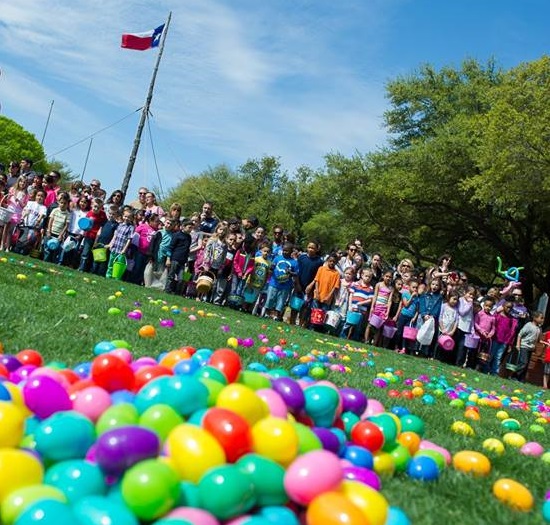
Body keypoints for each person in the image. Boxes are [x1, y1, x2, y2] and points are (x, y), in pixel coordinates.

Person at [290, 241, 323, 327]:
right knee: (295, 305)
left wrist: (311, 286)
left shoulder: (319, 261)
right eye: (309, 247)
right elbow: (296, 271)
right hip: (299, 285)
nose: (311, 249)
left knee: (305, 307)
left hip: (309, 288)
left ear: (317, 249)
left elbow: (317, 276)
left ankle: (301, 324)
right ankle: (292, 322)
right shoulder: (302, 258)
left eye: (313, 248)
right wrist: (297, 284)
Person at [264, 242, 300, 321]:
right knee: (270, 298)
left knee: (281, 301)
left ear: (291, 251)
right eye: (284, 250)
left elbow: (296, 273)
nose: (284, 252)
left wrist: (290, 272)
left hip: (285, 285)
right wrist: (271, 268)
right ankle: (267, 313)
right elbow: (271, 268)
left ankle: (276, 315)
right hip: (274, 282)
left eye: (287, 251)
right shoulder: (277, 258)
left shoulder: (294, 262)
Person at [340, 268, 374, 341]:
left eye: (369, 277)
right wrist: (350, 305)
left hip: (362, 309)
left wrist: (361, 303)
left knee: (358, 325)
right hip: (353, 307)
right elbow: (351, 295)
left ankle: (355, 338)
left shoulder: (370, 288)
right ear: (362, 275)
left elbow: (370, 299)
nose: (367, 278)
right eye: (366, 276)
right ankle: (343, 335)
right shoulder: (355, 284)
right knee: (348, 322)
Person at [512, 310, 545, 382]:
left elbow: (538, 339)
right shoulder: (528, 325)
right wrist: (518, 344)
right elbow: (520, 334)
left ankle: (521, 379)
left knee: (526, 364)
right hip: (524, 346)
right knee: (523, 362)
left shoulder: (539, 328)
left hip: (531, 348)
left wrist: (542, 343)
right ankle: (514, 376)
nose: (542, 319)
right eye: (541, 318)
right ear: (535, 318)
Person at [365, 270, 394, 347]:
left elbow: (389, 301)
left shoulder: (391, 288)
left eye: (390, 277)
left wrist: (387, 311)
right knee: (370, 325)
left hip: (383, 310)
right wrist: (372, 307)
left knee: (378, 327)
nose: (388, 278)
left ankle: (374, 344)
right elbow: (375, 296)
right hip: (376, 307)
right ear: (383, 276)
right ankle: (366, 340)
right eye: (386, 276)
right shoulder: (379, 285)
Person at [165, 219, 194, 294]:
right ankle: (167, 290)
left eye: (192, 228)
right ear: (183, 227)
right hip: (174, 259)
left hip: (183, 261)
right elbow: (170, 247)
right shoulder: (177, 235)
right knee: (171, 276)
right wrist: (168, 259)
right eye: (189, 227)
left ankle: (177, 293)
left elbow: (187, 249)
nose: (191, 230)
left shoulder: (189, 237)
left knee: (181, 279)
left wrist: (187, 260)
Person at [0, 175, 29, 251]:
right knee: (5, 228)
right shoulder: (12, 189)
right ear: (18, 181)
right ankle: (2, 245)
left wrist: (19, 201)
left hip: (17, 213)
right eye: (21, 181)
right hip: (9, 211)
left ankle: (7, 246)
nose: (22, 183)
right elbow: (8, 201)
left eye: (24, 182)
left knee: (10, 230)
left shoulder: (25, 194)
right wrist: (8, 199)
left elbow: (24, 206)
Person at [489, 301, 517, 376]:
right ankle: (486, 369)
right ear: (503, 306)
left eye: (510, 308)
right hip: (495, 339)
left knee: (498, 357)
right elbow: (492, 326)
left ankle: (494, 372)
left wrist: (510, 344)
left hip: (504, 341)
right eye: (507, 307)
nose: (509, 309)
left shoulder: (512, 319)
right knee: (491, 355)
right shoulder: (497, 316)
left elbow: (512, 332)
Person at [416, 278, 443, 358]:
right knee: (419, 332)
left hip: (431, 319)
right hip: (422, 317)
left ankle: (424, 352)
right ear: (430, 285)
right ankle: (415, 349)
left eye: (437, 285)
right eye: (433, 284)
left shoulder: (439, 297)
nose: (434, 286)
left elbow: (438, 308)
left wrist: (432, 316)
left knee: (428, 334)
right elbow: (422, 305)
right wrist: (424, 314)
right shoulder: (424, 295)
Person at [105, 209, 135, 279]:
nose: (126, 218)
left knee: (118, 265)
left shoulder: (131, 228)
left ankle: (116, 278)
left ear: (131, 218)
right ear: (122, 216)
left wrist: (124, 249)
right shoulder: (120, 225)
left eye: (129, 217)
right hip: (115, 247)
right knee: (111, 263)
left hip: (121, 250)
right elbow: (115, 236)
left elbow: (129, 239)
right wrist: (111, 244)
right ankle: (108, 276)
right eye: (125, 216)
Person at [78, 198, 107, 272]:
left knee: (96, 255)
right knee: (85, 253)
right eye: (95, 206)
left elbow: (104, 225)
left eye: (98, 207)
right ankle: (81, 268)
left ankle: (93, 271)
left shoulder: (103, 215)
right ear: (92, 206)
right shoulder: (89, 213)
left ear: (101, 208)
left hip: (98, 238)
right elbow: (84, 225)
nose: (96, 209)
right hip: (89, 236)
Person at [92, 205, 120, 276]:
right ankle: (93, 272)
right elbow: (99, 231)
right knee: (96, 259)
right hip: (99, 243)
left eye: (113, 214)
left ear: (116, 215)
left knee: (103, 262)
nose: (111, 215)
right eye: (110, 213)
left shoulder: (116, 225)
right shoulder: (104, 221)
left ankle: (100, 274)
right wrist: (96, 241)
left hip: (106, 245)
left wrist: (110, 244)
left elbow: (115, 235)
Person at [43, 192, 71, 263]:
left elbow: (66, 225)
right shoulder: (55, 210)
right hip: (51, 232)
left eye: (65, 203)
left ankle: (52, 262)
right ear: (59, 202)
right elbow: (50, 221)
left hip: (58, 235)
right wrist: (48, 230)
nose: (63, 205)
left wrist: (61, 235)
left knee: (55, 249)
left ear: (67, 204)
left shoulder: (68, 214)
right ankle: (45, 261)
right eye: (61, 203)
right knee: (47, 248)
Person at [395, 279, 420, 354]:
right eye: (413, 287)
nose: (415, 289)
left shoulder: (418, 298)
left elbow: (418, 310)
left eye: (416, 287)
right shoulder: (405, 294)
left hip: (410, 318)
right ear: (409, 287)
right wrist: (411, 297)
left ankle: (403, 348)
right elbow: (406, 305)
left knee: (406, 334)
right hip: (403, 315)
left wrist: (414, 317)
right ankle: (396, 346)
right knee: (399, 332)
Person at [455, 286, 476, 367]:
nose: (471, 296)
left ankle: (459, 363)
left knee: (463, 347)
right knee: (456, 344)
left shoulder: (471, 303)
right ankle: (451, 360)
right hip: (459, 326)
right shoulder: (461, 300)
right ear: (465, 293)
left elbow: (471, 317)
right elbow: (462, 312)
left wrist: (472, 328)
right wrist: (469, 304)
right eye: (469, 294)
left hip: (467, 328)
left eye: (473, 295)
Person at [474, 298, 496, 372]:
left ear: (492, 307)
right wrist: (481, 331)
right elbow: (475, 323)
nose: (488, 308)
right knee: (474, 352)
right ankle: (471, 365)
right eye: (486, 306)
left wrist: (490, 334)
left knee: (483, 355)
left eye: (490, 306)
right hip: (478, 336)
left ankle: (478, 368)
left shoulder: (492, 317)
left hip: (486, 339)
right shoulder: (479, 314)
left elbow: (493, 328)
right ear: (483, 305)